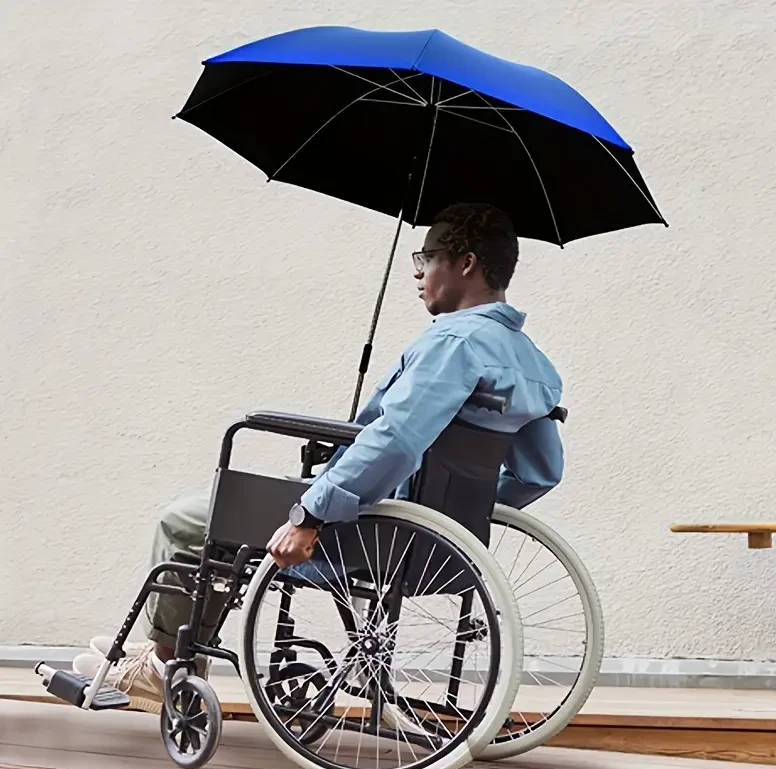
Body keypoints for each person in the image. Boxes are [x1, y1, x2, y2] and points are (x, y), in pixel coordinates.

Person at [73, 202, 565, 712]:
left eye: (427, 257)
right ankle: (171, 657)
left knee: (185, 520)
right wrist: (453, 519)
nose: (417, 272)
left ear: (465, 263)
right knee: (223, 516)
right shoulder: (534, 364)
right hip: (428, 544)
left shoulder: (453, 342)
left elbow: (395, 437)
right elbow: (540, 472)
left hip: (363, 526)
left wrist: (311, 513)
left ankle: (163, 665)